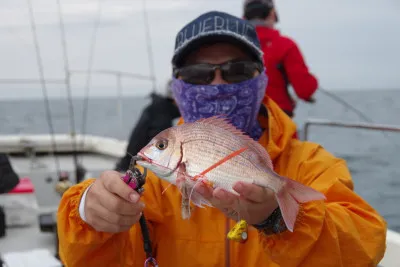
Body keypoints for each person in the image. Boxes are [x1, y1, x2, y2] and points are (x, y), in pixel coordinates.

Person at [57, 11, 387, 266]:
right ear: (177, 87)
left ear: (262, 80)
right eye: (198, 74)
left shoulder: (311, 164)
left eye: (238, 71)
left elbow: (365, 247)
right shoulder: (150, 184)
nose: (218, 85)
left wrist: (278, 220)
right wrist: (90, 216)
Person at [243, 0, 318, 118]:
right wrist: (313, 81)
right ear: (272, 15)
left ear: (243, 18)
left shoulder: (234, 46)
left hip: (238, 126)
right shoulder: (285, 46)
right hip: (278, 123)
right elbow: (304, 90)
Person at [114, 80, 180, 172]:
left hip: (129, 162)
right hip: (137, 168)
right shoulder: (163, 115)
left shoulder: (154, 108)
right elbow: (159, 152)